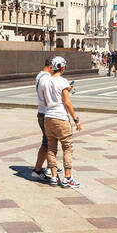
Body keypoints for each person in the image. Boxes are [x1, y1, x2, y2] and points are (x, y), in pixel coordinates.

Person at [39, 56, 82, 187]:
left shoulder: (45, 81)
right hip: (61, 118)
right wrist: (76, 119)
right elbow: (67, 103)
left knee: (51, 148)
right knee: (67, 147)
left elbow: (45, 101)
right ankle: (68, 178)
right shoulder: (63, 81)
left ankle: (54, 177)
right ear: (62, 68)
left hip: (48, 117)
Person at [31, 56, 55, 180]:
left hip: (43, 112)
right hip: (46, 113)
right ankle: (40, 169)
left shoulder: (41, 76)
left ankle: (48, 167)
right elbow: (48, 97)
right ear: (50, 66)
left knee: (48, 142)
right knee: (48, 143)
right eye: (55, 67)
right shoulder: (46, 79)